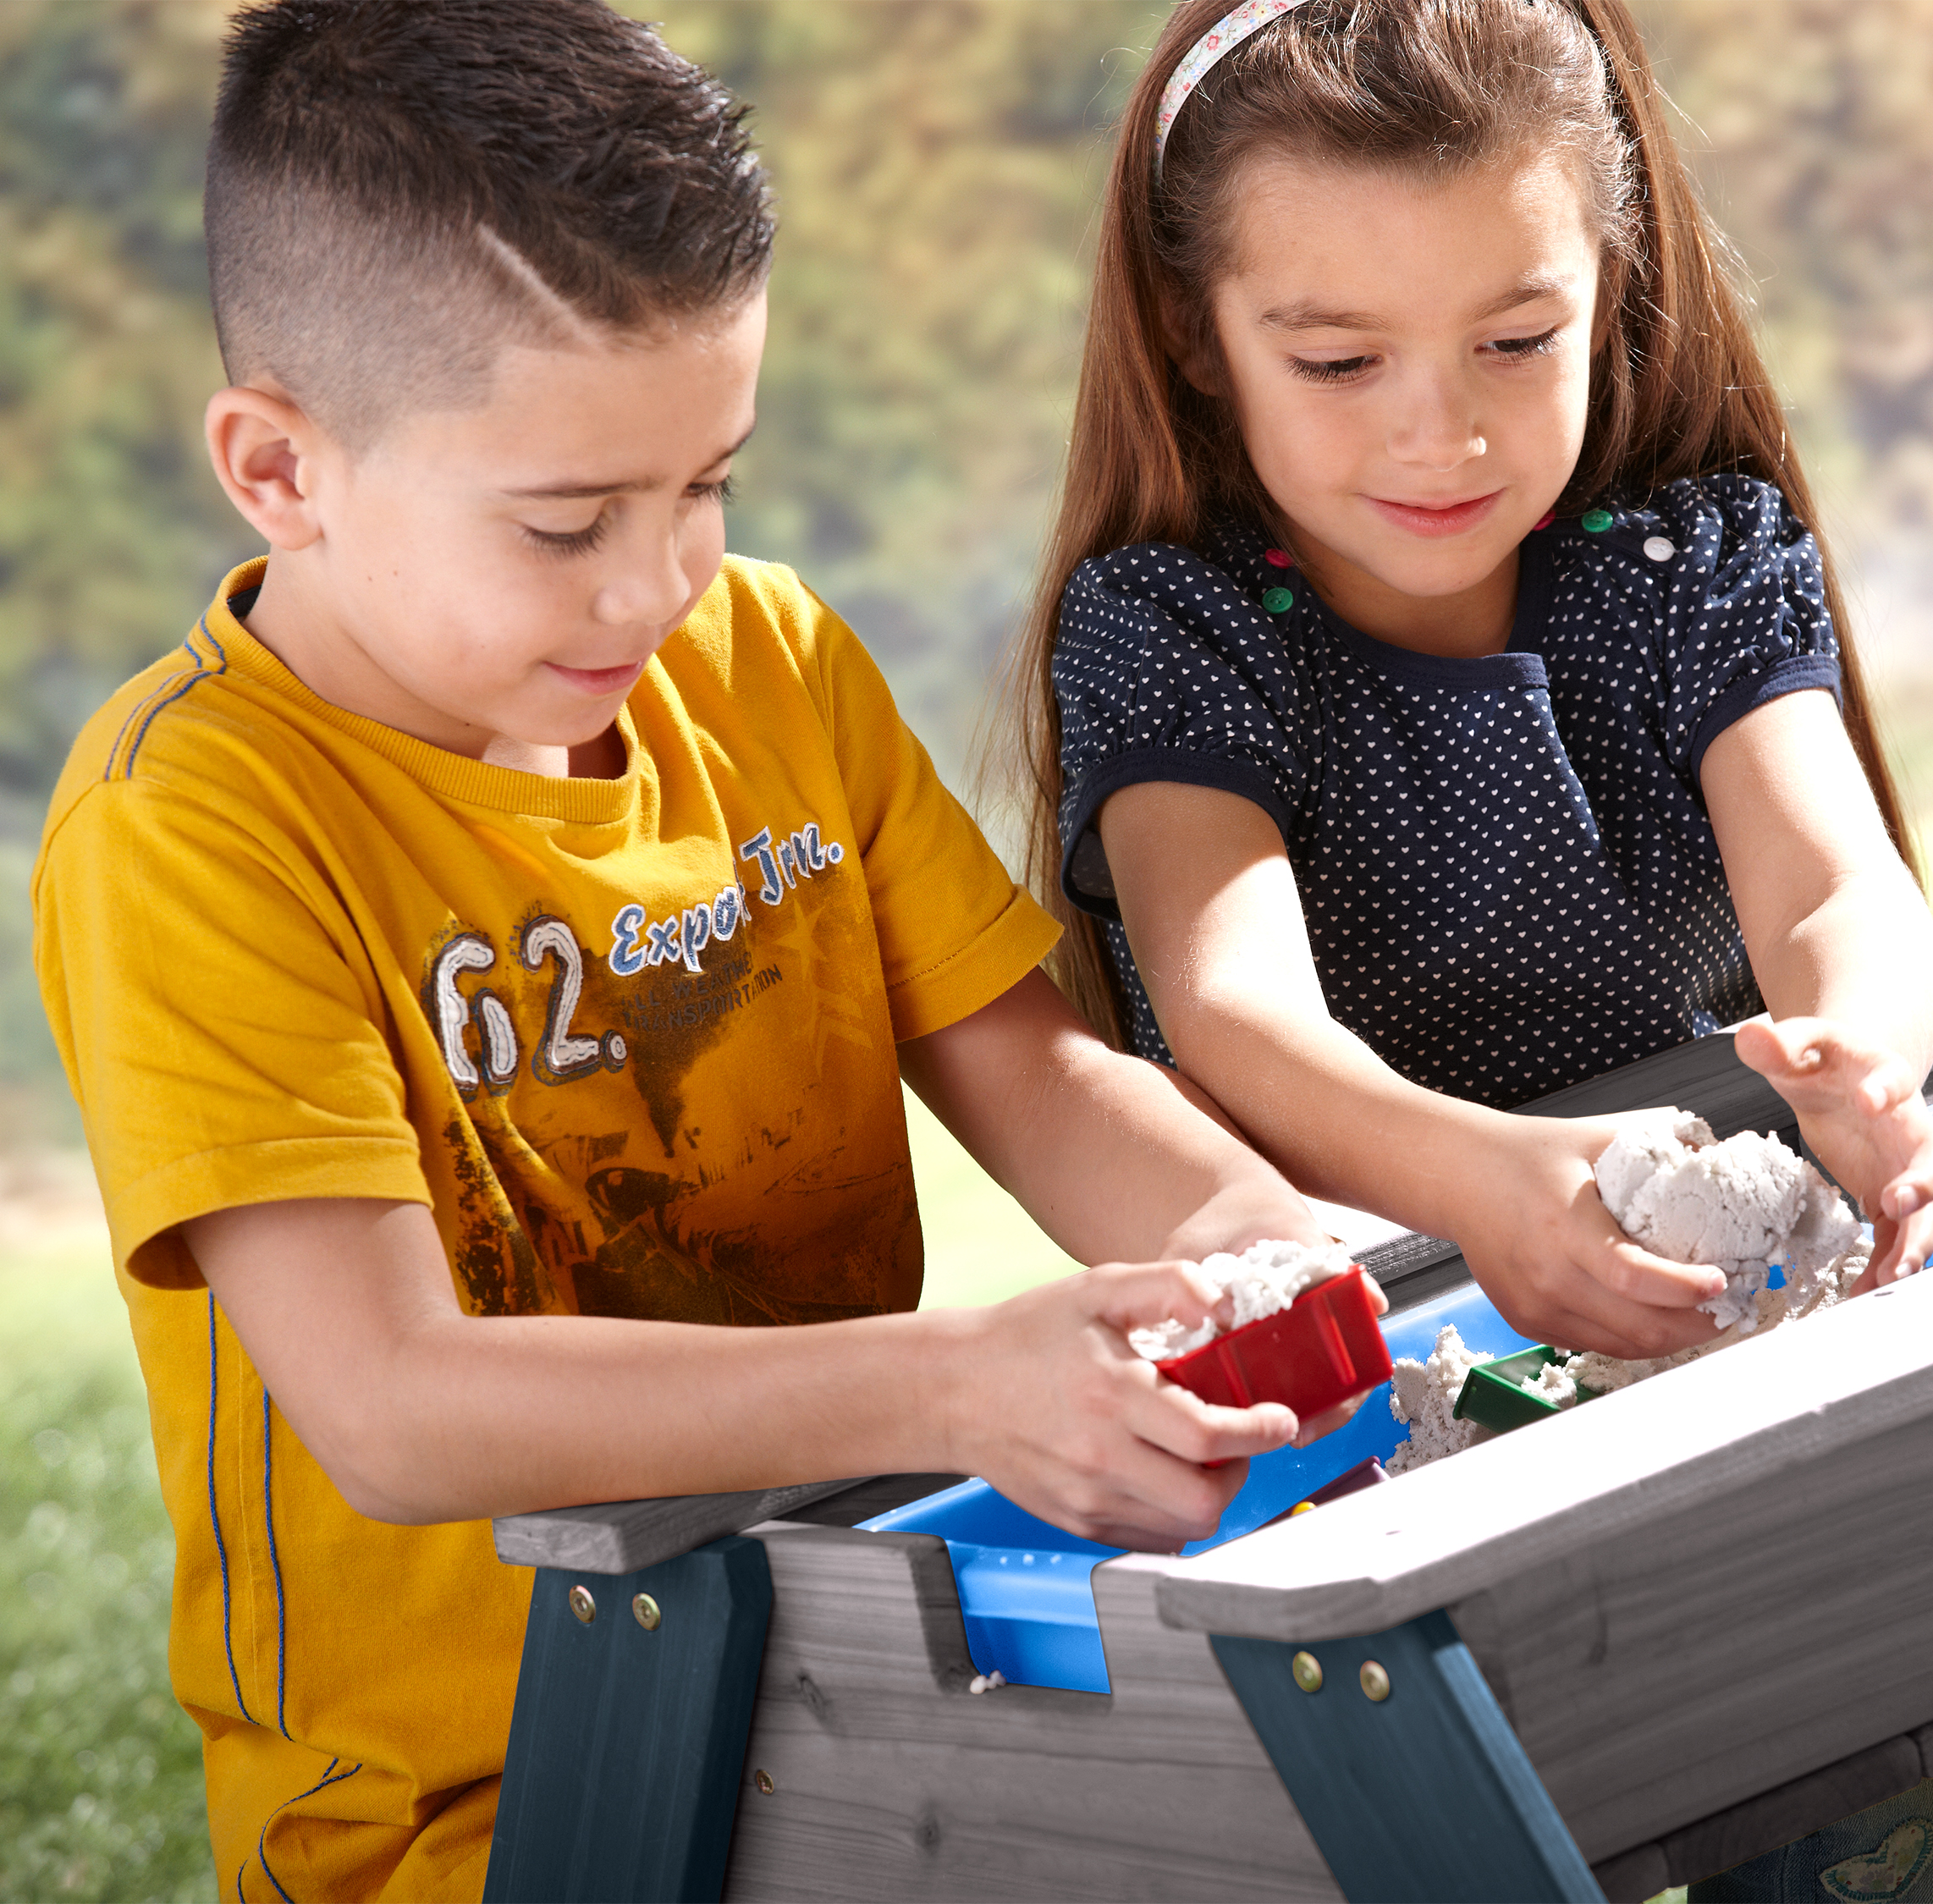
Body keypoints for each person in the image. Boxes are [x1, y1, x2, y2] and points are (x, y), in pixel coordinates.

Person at [1006, 0, 1933, 1896]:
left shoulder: (1691, 565)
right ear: (1195, 340)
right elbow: (1232, 1010)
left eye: (1516, 336)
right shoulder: (1175, 632)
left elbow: (1832, 889)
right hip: (1434, 1426)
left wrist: (1867, 1061)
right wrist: (1497, 1189)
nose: (1443, 426)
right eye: (1338, 357)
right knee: (1849, 1809)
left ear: (1611, 285)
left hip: (1786, 1334)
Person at [26, 3, 1359, 1896]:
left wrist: (1244, 1237)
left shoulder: (772, 658)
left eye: (706, 481)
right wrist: (957, 1382)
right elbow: (396, 1407)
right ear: (279, 471)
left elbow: (1036, 1072)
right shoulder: (189, 821)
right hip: (493, 1813)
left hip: (869, 1676)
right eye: (566, 522)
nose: (658, 583)